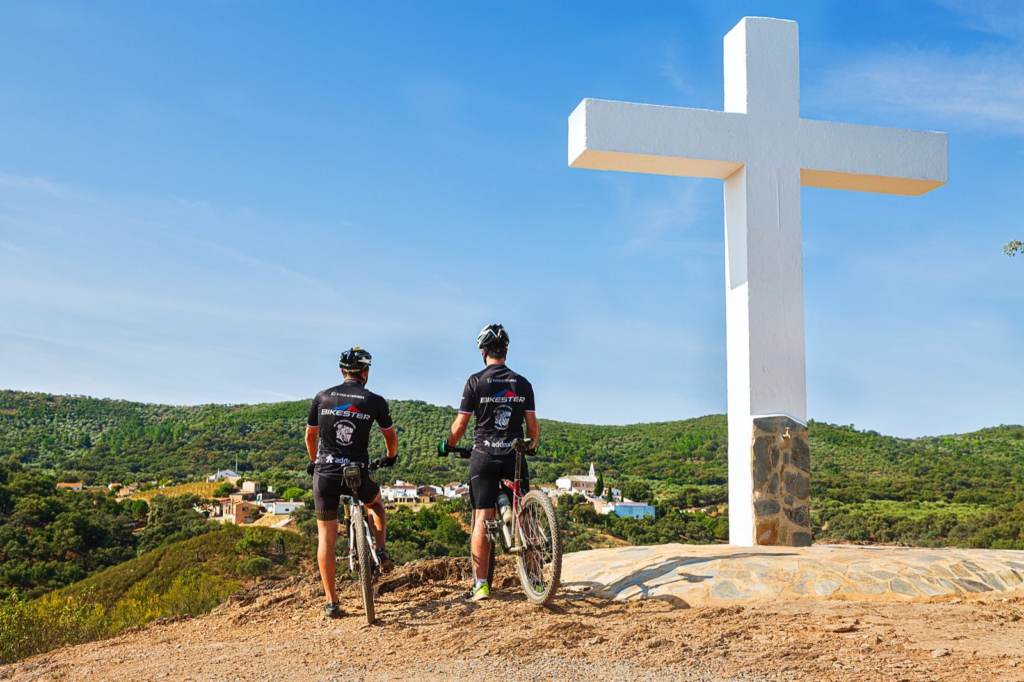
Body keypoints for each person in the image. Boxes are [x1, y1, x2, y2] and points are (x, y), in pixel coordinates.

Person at [438, 323, 538, 601]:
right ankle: (536, 574)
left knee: (482, 517)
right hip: (514, 455)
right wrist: (532, 444)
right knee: (525, 511)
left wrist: (448, 445)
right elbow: (533, 428)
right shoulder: (523, 383)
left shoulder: (475, 381)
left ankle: (481, 584)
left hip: (484, 456)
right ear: (505, 350)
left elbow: (459, 425)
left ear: (483, 351)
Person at [305, 346, 397, 618]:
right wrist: (391, 457)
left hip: (326, 474)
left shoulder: (322, 397)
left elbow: (311, 438)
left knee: (326, 538)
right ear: (365, 373)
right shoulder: (374, 401)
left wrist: (314, 461)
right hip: (357, 473)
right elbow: (390, 438)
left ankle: (332, 602)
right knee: (377, 506)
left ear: (341, 371)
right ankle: (380, 550)